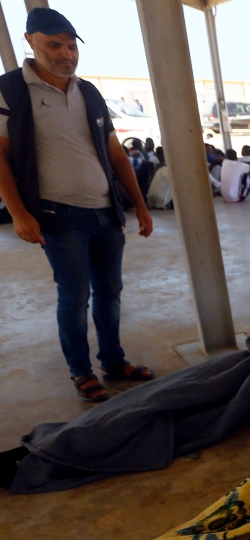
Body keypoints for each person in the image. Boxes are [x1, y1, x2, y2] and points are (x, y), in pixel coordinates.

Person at [0, 8, 155, 402]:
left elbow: (115, 153)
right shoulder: (11, 90)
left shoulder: (88, 91)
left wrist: (140, 204)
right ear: (30, 40)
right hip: (58, 215)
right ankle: (81, 372)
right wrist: (18, 212)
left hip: (105, 212)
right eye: (55, 45)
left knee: (110, 292)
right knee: (74, 296)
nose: (66, 54)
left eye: (71, 46)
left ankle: (113, 361)